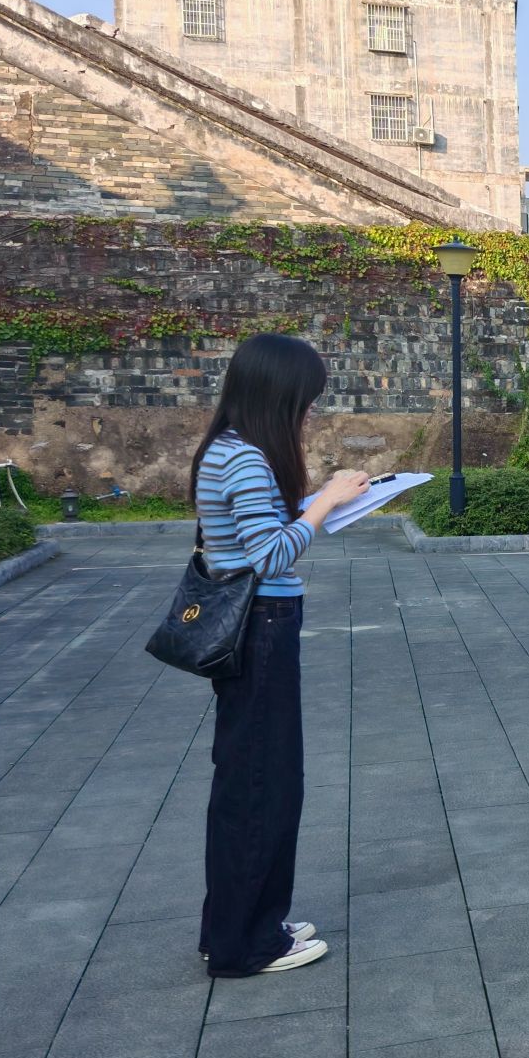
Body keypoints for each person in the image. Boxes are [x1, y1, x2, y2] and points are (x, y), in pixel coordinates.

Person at [192, 334, 372, 978]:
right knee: (264, 783)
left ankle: (237, 927)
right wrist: (324, 503)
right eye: (306, 399)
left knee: (250, 777)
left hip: (252, 627)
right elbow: (269, 555)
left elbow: (256, 530)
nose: (310, 411)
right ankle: (248, 944)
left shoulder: (227, 447)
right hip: (261, 626)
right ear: (279, 394)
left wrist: (324, 500)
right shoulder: (246, 457)